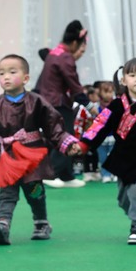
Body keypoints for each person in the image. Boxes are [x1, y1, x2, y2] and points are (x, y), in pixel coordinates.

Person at [0, 54, 81, 245]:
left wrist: (67, 144)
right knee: (7, 193)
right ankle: (3, 225)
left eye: (12, 72)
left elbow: (53, 124)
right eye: (1, 73)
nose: (6, 77)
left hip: (31, 157)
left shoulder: (36, 101)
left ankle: (41, 223)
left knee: (35, 191)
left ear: (26, 78)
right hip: (6, 157)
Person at [77, 58, 136, 244]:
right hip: (123, 157)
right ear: (124, 80)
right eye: (132, 75)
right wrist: (85, 144)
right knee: (123, 199)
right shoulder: (117, 105)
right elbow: (100, 124)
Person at [34, 19, 89, 188]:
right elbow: (73, 82)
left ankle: (65, 175)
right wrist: (86, 102)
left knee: (59, 135)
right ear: (74, 43)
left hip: (47, 100)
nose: (81, 54)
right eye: (81, 49)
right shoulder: (65, 57)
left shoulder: (54, 53)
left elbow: (43, 53)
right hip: (56, 103)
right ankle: (52, 174)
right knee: (64, 136)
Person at [93, 80, 117, 183]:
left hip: (113, 136)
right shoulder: (95, 107)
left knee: (114, 156)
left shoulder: (116, 105)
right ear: (100, 93)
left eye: (111, 92)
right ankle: (105, 174)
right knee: (102, 157)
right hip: (100, 137)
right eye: (106, 91)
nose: (109, 94)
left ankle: (115, 173)